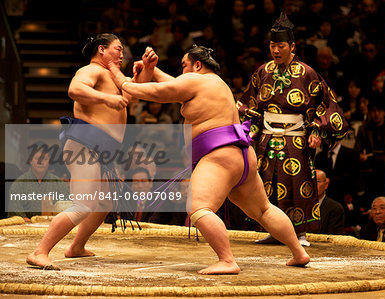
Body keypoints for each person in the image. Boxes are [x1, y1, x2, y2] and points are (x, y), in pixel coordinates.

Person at [107, 44, 311, 275]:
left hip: (219, 156)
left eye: (184, 65)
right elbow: (174, 84)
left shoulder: (196, 80)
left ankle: (227, 260)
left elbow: (156, 92)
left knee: (198, 206)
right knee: (263, 210)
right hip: (241, 154)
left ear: (197, 65)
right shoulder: (215, 83)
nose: (182, 72)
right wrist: (152, 70)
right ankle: (298, 252)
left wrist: (120, 77)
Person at [26, 33, 150, 270]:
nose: (122, 54)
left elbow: (133, 95)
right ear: (101, 50)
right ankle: (39, 251)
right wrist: (105, 98)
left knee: (103, 203)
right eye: (117, 49)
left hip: (104, 149)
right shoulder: (92, 70)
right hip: (86, 144)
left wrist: (144, 72)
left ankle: (76, 247)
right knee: (84, 204)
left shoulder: (114, 77)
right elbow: (74, 89)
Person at [237, 12, 348, 246]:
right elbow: (252, 104)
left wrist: (316, 130)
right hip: (267, 138)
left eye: (281, 45)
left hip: (296, 138)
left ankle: (300, 234)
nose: (275, 50)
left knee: (298, 183)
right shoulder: (263, 71)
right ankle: (273, 230)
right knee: (268, 183)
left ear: (292, 46)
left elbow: (326, 104)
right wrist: (252, 127)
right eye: (272, 45)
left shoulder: (307, 73)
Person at [7, 145, 69, 221]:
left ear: (48, 161)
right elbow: (15, 212)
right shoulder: (19, 184)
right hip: (27, 229)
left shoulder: (59, 184)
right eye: (37, 158)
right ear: (30, 161)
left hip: (54, 226)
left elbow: (67, 210)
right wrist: (28, 222)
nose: (40, 162)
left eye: (44, 159)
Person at [313, 169, 345, 235]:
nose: (313, 184)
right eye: (310, 181)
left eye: (317, 181)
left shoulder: (335, 208)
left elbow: (333, 239)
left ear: (326, 184)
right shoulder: (299, 206)